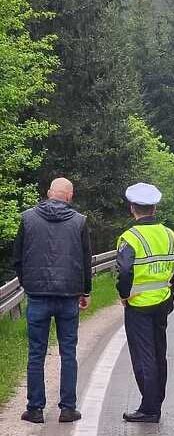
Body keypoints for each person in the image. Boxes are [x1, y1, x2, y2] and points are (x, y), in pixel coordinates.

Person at [13, 178, 92, 424]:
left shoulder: (27, 218)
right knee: (68, 352)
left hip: (37, 295)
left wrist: (27, 283)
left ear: (49, 193)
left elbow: (17, 257)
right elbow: (86, 259)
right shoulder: (79, 221)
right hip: (68, 296)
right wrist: (85, 291)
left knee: (36, 353)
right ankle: (68, 408)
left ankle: (35, 409)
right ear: (70, 196)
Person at [116, 183, 174, 423]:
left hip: (138, 304)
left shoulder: (130, 237)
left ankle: (149, 409)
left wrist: (124, 293)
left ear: (132, 209)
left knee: (143, 356)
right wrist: (173, 284)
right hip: (162, 302)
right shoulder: (169, 234)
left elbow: (126, 269)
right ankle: (155, 402)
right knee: (159, 353)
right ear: (154, 208)